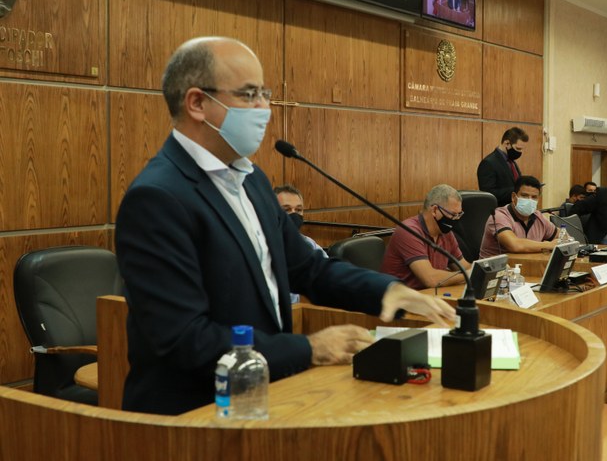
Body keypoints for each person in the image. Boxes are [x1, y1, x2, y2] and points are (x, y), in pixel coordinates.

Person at [114, 36, 455, 415]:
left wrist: (388, 291)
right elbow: (184, 339)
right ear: (197, 103)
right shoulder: (158, 198)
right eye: (249, 95)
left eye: (265, 94)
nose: (265, 108)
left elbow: (308, 268)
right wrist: (309, 348)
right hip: (195, 416)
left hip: (264, 401)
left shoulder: (252, 180)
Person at [380, 184, 471, 289]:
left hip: (429, 294)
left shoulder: (446, 233)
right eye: (453, 215)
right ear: (434, 210)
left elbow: (465, 267)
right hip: (400, 296)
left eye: (459, 215)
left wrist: (481, 270)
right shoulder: (409, 231)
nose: (456, 219)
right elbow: (430, 279)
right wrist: (466, 276)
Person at [479, 176, 558, 257]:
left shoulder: (538, 216)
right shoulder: (499, 216)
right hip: (496, 265)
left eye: (534, 197)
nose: (529, 200)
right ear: (513, 197)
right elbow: (515, 245)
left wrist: (560, 240)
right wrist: (548, 245)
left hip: (527, 263)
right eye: (524, 196)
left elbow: (561, 237)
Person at [274, 184, 326, 304]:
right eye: (286, 210)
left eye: (298, 210)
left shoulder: (308, 244)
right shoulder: (265, 247)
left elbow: (325, 273)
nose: (294, 214)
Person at [477, 127, 529, 206]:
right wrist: (516, 190)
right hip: (498, 210)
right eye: (518, 148)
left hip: (514, 208)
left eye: (522, 149)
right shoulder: (488, 163)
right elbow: (488, 194)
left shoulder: (511, 162)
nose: (520, 152)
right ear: (507, 143)